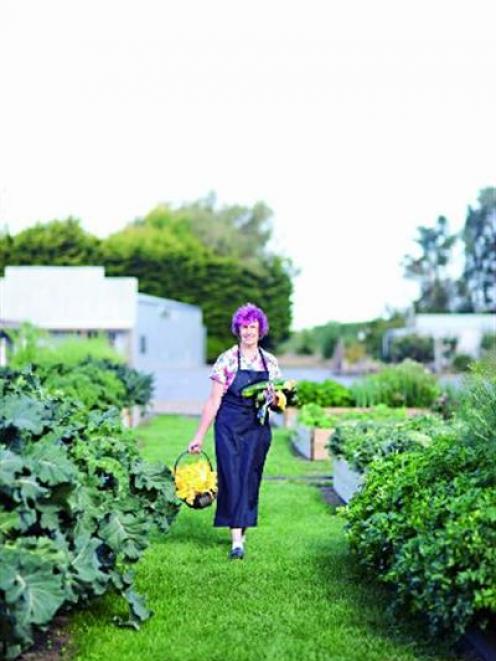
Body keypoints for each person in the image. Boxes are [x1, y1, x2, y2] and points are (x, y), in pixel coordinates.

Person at [187, 302, 282, 560]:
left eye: (253, 327)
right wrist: (199, 435)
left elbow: (278, 403)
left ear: (260, 330)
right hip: (229, 425)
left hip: (257, 427)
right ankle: (236, 541)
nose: (248, 331)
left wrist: (275, 399)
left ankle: (242, 530)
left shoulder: (270, 362)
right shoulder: (227, 360)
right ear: (237, 330)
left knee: (250, 478)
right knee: (231, 477)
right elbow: (214, 400)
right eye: (244, 327)